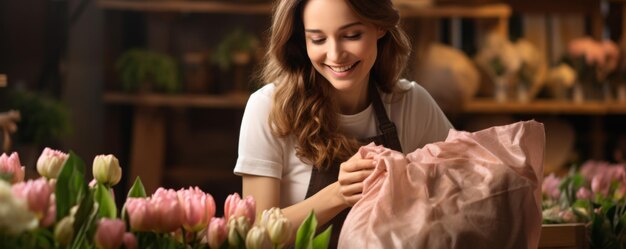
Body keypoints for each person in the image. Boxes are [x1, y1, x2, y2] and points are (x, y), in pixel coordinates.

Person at [234, 0, 453, 246]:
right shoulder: (268, 108)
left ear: (380, 27)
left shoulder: (411, 103)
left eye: (351, 35)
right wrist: (338, 194)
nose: (335, 55)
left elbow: (466, 185)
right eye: (318, 40)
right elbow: (255, 235)